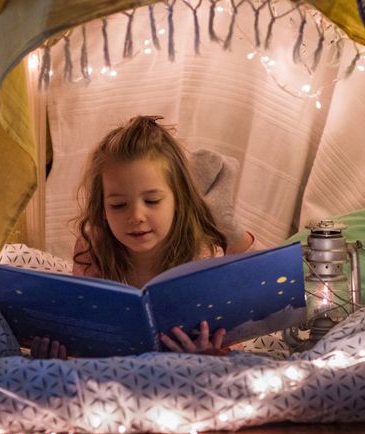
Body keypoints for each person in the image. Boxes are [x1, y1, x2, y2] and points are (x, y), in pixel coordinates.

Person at [30, 115, 254, 359]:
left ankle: (224, 221)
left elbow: (226, 339)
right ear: (101, 210)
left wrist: (208, 352)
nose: (136, 216)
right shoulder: (92, 248)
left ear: (179, 201)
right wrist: (58, 352)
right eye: (118, 205)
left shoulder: (202, 255)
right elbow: (85, 332)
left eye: (152, 201)